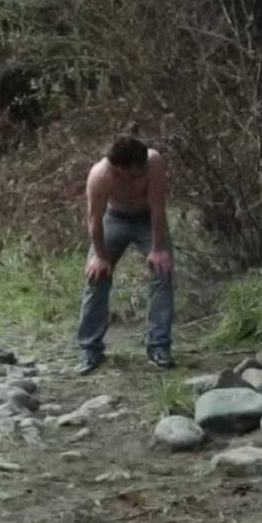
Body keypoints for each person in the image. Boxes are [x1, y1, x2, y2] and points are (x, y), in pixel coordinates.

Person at [75, 132, 175, 374]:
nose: (138, 176)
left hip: (146, 218)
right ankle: (89, 349)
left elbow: (158, 206)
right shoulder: (100, 175)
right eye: (133, 173)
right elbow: (94, 219)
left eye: (141, 171)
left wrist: (158, 249)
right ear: (119, 168)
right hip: (114, 219)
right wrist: (100, 257)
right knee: (96, 276)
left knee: (163, 270)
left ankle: (159, 346)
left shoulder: (154, 163)